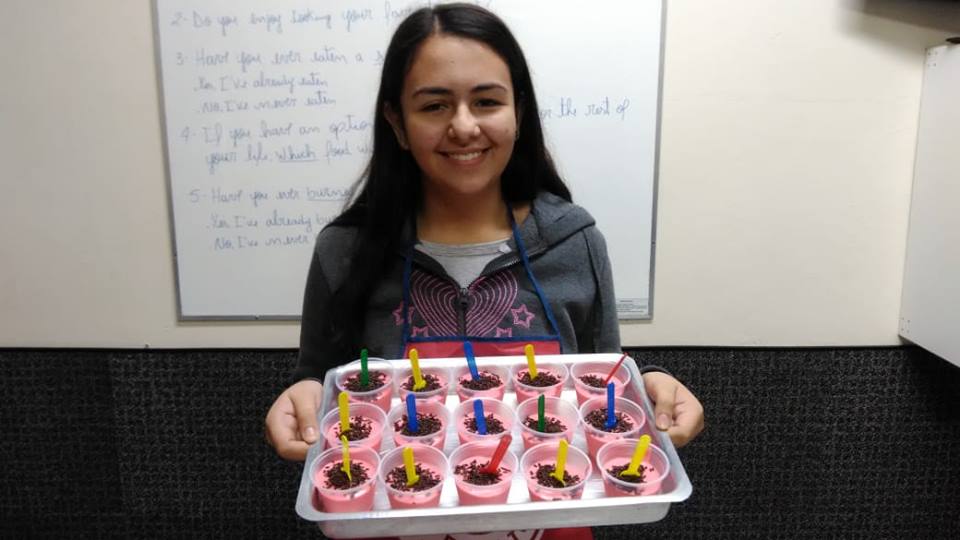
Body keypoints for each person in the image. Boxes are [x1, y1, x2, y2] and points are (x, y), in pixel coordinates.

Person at [266, 4, 703, 539]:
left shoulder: (577, 242)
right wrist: (302, 400)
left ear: (518, 113)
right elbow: (319, 385)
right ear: (397, 124)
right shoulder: (345, 252)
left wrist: (648, 386)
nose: (464, 126)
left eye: (487, 101)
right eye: (434, 105)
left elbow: (606, 381)